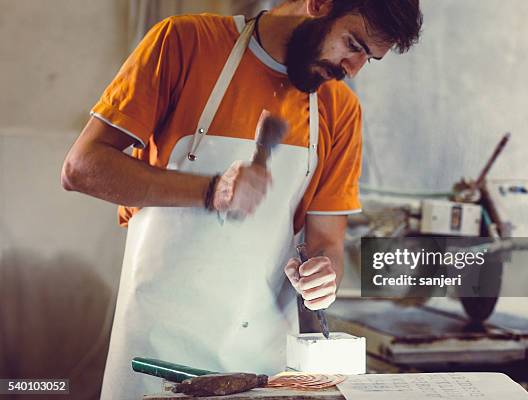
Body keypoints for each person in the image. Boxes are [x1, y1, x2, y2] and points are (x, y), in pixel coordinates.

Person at [61, 0, 422, 397]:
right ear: (318, 4)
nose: (350, 69)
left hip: (261, 367)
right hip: (155, 355)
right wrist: (210, 190)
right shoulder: (185, 44)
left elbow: (327, 243)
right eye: (352, 43)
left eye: (368, 58)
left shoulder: (341, 111)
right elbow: (83, 167)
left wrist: (325, 274)